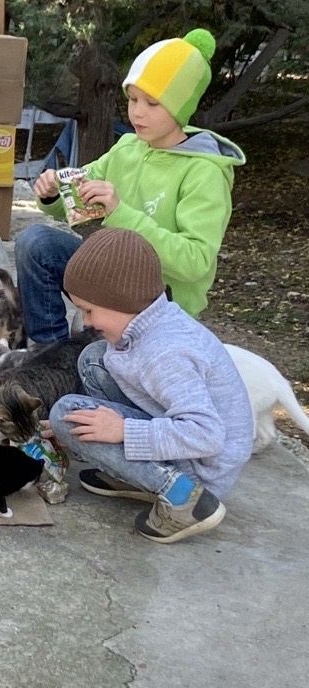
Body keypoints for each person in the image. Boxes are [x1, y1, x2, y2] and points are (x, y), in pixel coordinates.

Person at [16, 28, 246, 344]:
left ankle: (93, 353)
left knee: (98, 362)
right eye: (133, 99)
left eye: (152, 103)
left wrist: (120, 212)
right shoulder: (127, 147)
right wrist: (55, 193)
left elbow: (195, 262)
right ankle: (52, 351)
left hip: (158, 301)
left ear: (180, 108)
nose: (137, 112)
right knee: (36, 242)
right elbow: (78, 202)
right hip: (112, 275)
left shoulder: (204, 171)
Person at [43, 227, 252, 544]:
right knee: (94, 359)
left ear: (120, 300)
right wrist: (91, 425)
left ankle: (184, 499)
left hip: (201, 467)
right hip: (183, 439)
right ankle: (136, 475)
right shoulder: (144, 322)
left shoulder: (165, 353)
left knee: (66, 412)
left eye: (88, 310)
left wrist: (123, 431)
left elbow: (207, 435)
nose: (85, 321)